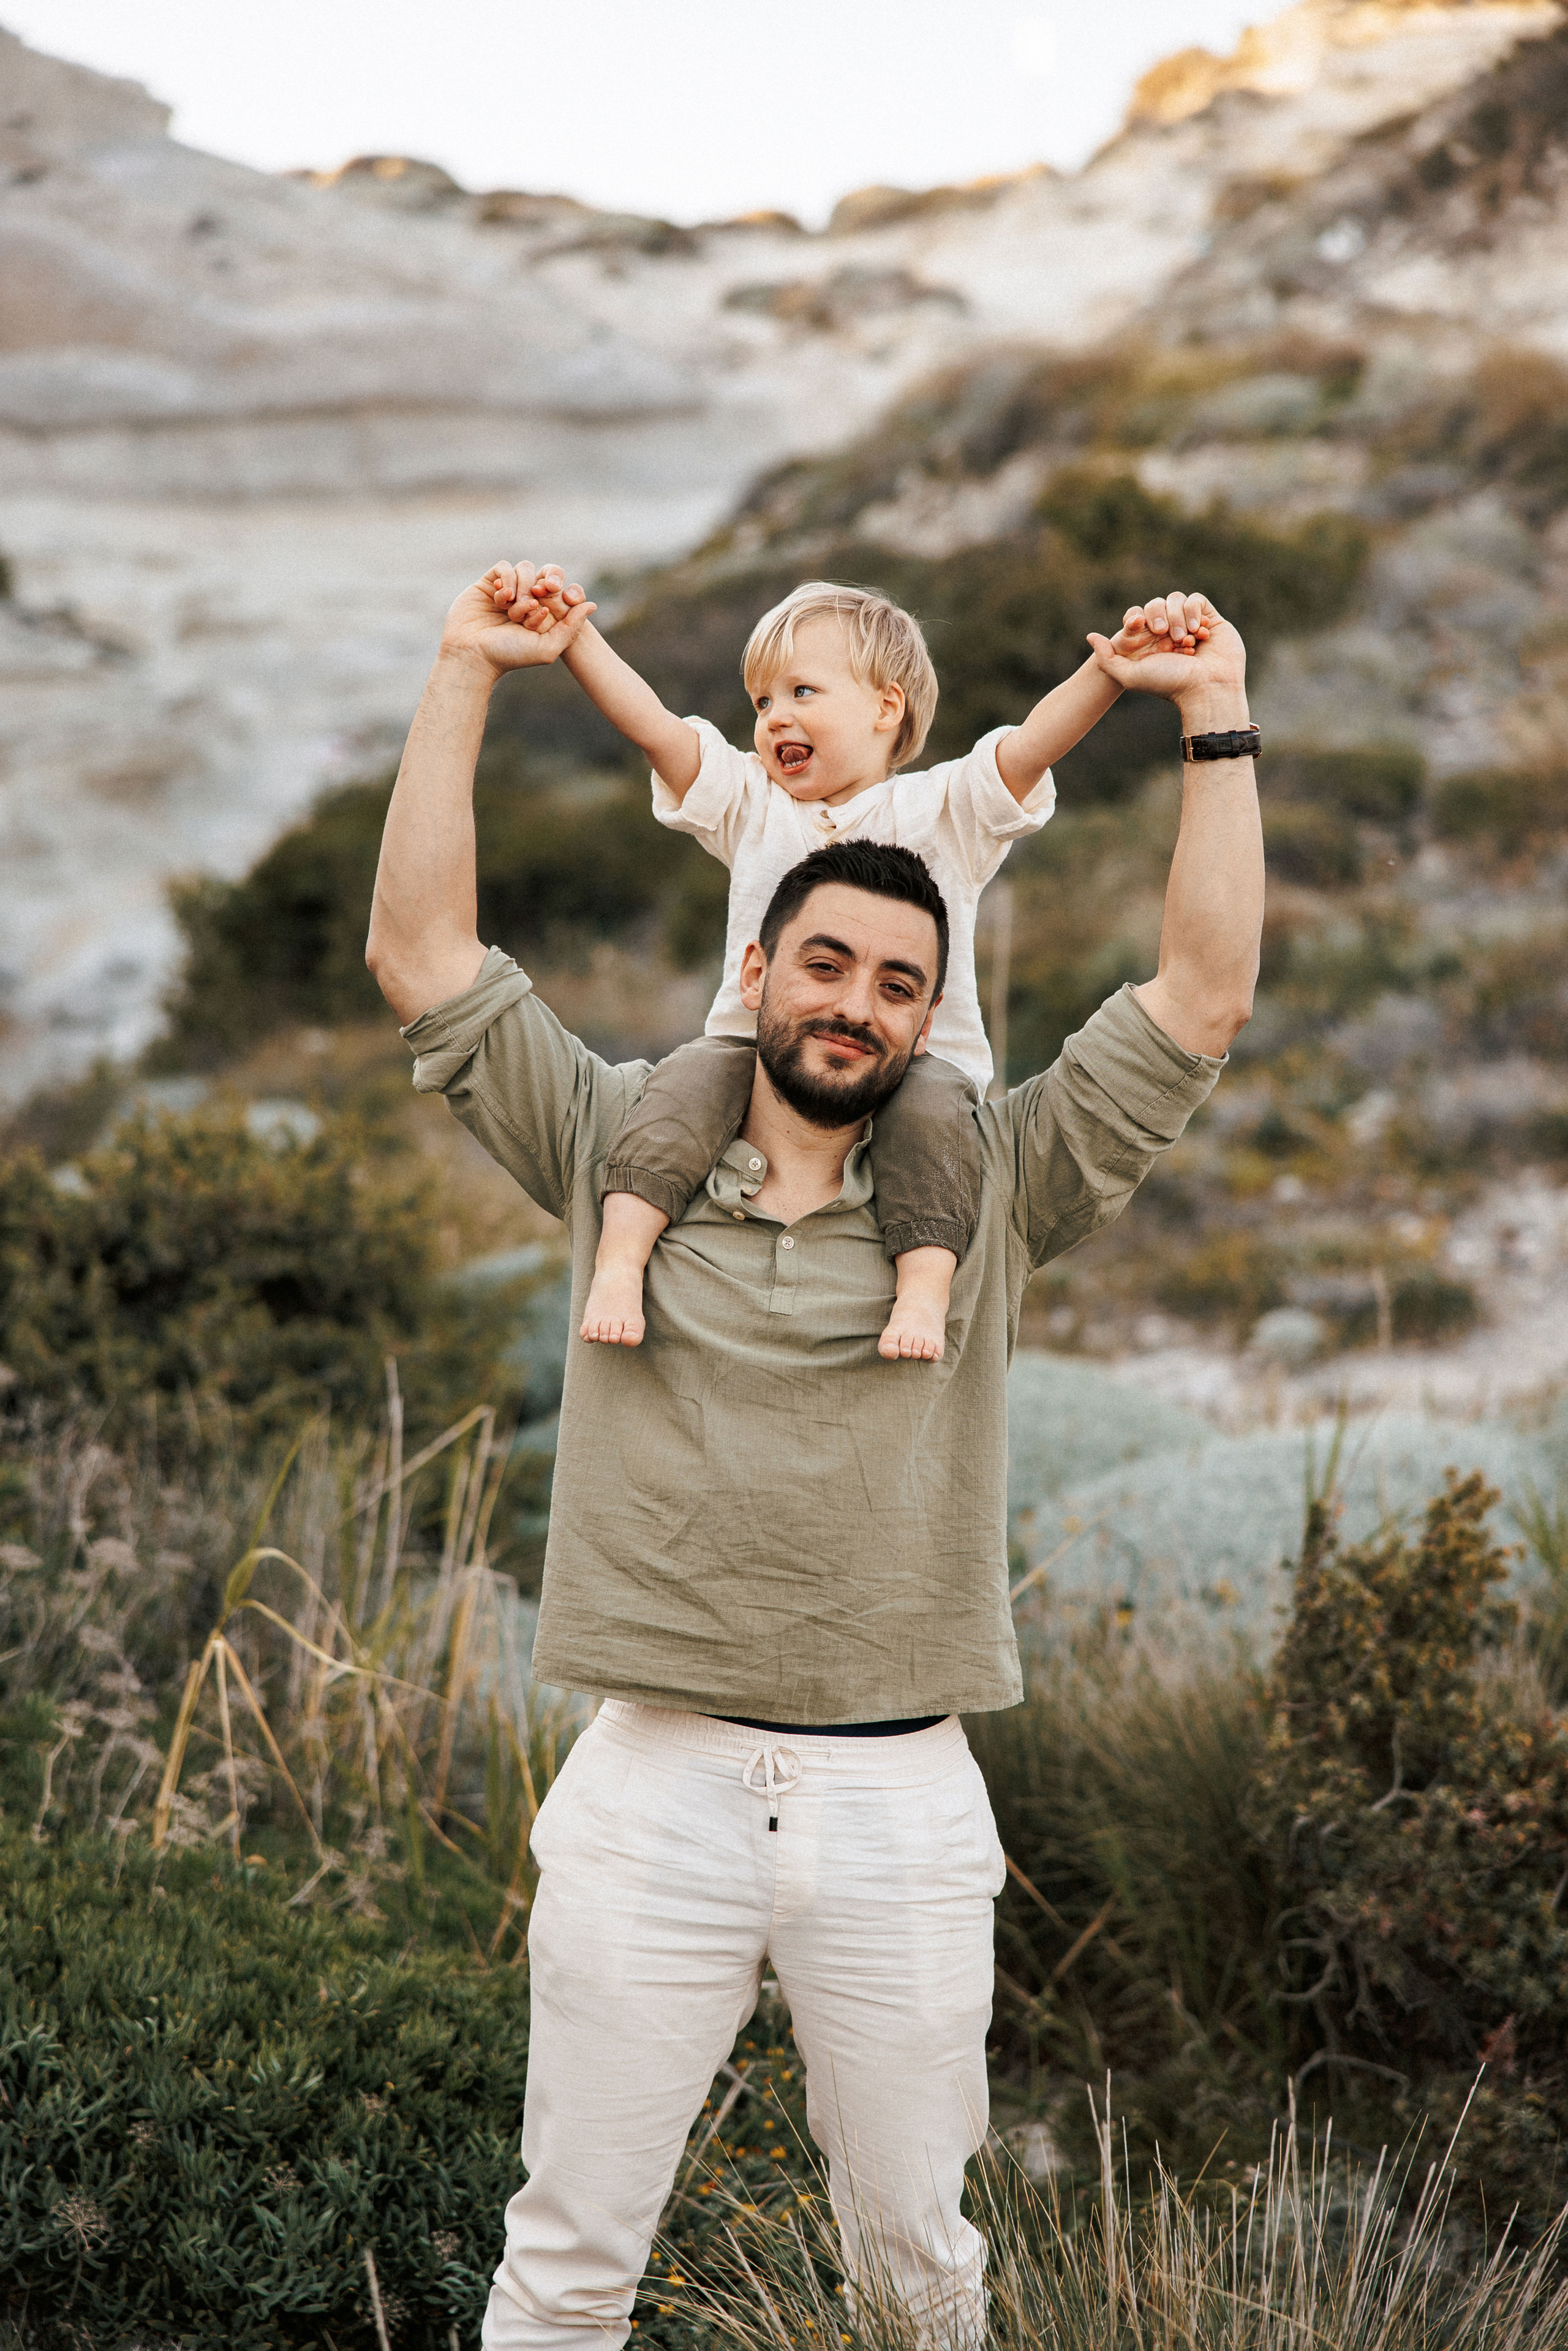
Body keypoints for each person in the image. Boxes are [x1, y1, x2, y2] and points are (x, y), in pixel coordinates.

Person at [365, 562, 1263, 2351]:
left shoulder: (992, 1183)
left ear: (936, 1015)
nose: (857, 1002)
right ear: (756, 961)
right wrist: (469, 665)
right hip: (650, 1787)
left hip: (901, 1806)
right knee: (563, 2272)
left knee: (922, 2279)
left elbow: (1204, 994)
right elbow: (424, 958)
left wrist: (1214, 720)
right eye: (826, 961)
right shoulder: (627, 1137)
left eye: (901, 982)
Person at [481, 564, 1199, 1364]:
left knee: (931, 1138)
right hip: (757, 1055)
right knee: (672, 1100)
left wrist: (1109, 672)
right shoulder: (752, 804)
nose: (774, 717)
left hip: (919, 1063)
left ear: (887, 706)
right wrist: (576, 640)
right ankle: (620, 1263)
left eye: (801, 693)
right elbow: (657, 729)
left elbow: (1031, 746)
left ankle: (922, 1293)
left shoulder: (943, 809)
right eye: (761, 703)